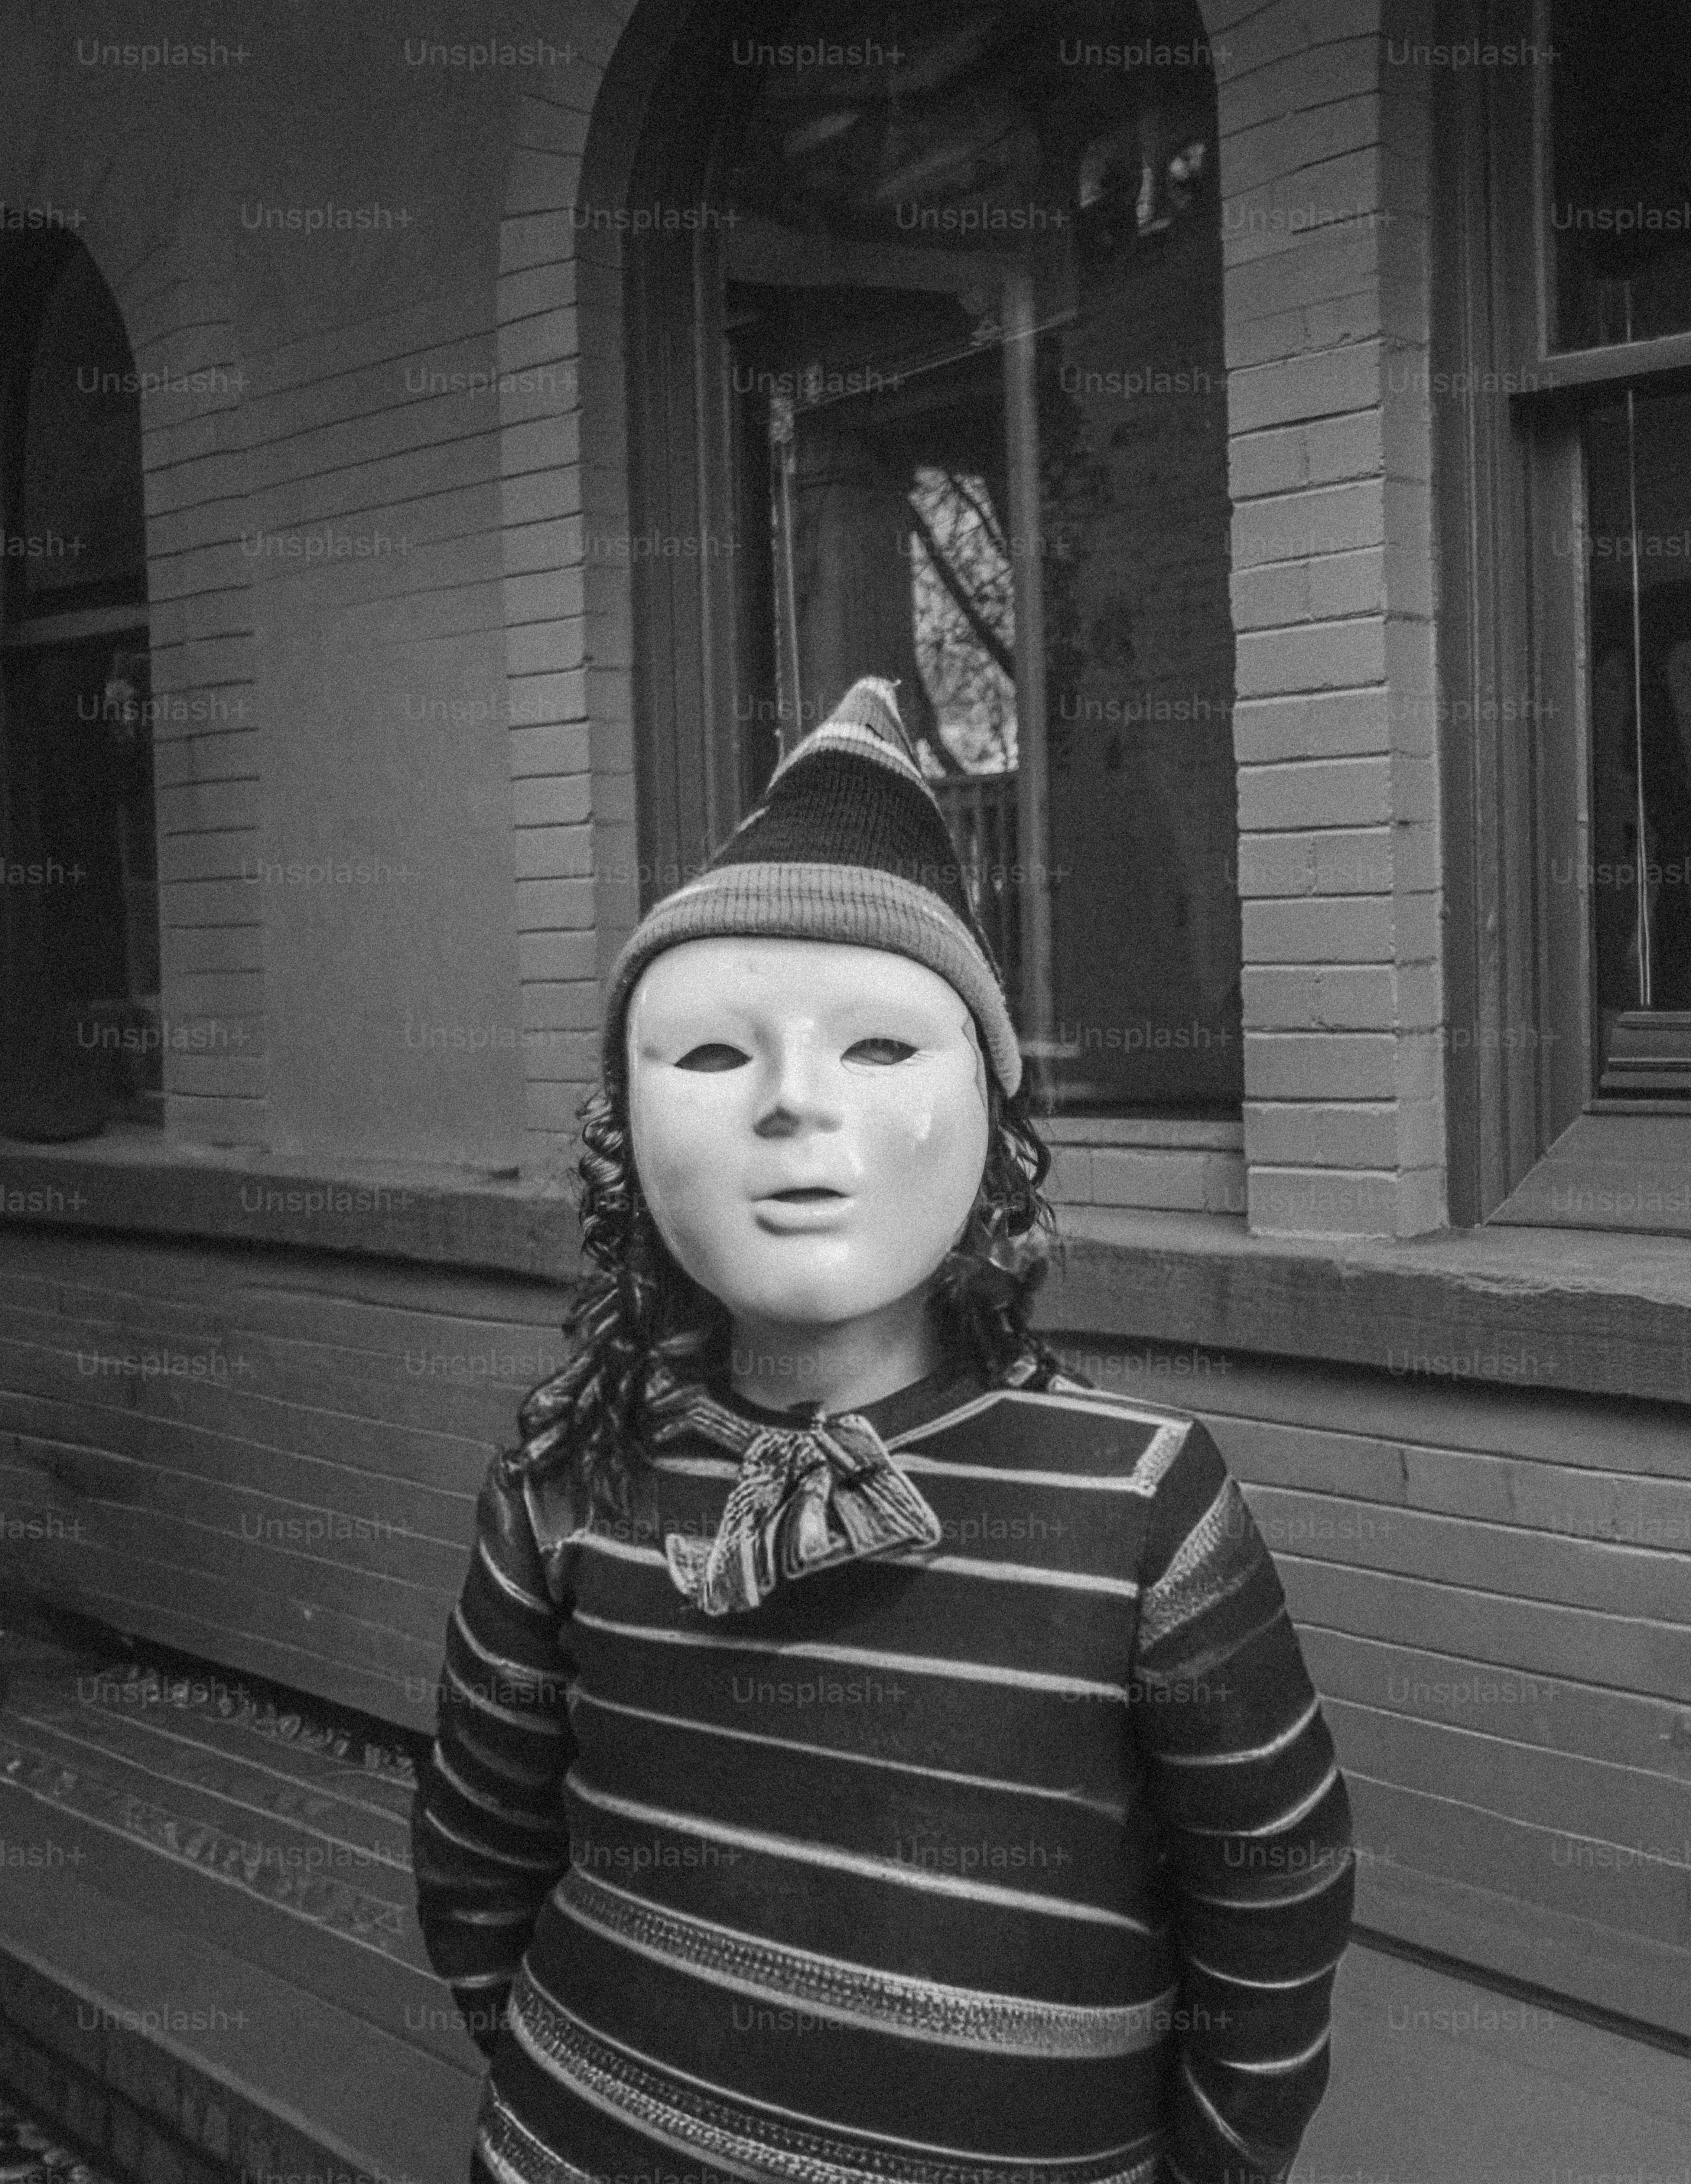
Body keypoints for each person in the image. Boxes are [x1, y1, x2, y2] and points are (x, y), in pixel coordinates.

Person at [410, 677, 1355, 2184]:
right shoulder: (567, 1472)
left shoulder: (1138, 1500)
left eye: (876, 1049)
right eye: (713, 1054)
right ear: (621, 1131)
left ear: (989, 1116)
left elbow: (1272, 1890)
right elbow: (477, 1845)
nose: (793, 1103)